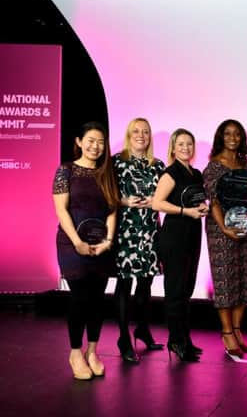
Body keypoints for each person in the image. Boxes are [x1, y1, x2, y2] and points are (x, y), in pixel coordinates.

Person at [52, 121, 119, 379]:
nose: (96, 146)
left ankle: (93, 351)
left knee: (98, 299)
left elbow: (112, 210)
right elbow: (61, 210)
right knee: (80, 297)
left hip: (101, 245)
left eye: (101, 142)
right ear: (79, 141)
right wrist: (77, 241)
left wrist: (109, 240)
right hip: (72, 244)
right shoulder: (66, 170)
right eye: (90, 140)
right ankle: (75, 352)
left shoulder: (106, 172)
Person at [152, 128, 208, 362]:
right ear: (173, 148)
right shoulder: (170, 173)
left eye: (189, 144)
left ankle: (185, 338)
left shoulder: (195, 173)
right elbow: (157, 203)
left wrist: (203, 207)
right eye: (181, 144)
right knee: (175, 291)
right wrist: (186, 211)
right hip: (174, 235)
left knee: (186, 289)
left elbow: (197, 199)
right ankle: (175, 341)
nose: (186, 148)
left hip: (192, 234)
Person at [113, 118, 165, 363]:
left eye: (145, 131)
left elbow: (164, 197)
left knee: (145, 284)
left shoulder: (158, 165)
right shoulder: (117, 162)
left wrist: (153, 202)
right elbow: (106, 194)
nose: (141, 135)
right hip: (125, 230)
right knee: (125, 285)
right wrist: (125, 201)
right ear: (128, 134)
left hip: (150, 230)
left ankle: (142, 329)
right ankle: (123, 337)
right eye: (136, 131)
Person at [204, 119, 247, 359]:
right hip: (221, 228)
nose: (233, 138)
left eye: (237, 134)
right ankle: (226, 332)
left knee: (243, 278)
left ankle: (237, 330)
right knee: (225, 279)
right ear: (221, 137)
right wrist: (224, 228)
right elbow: (213, 201)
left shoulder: (246, 165)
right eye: (228, 134)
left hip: (243, 224)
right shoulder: (213, 167)